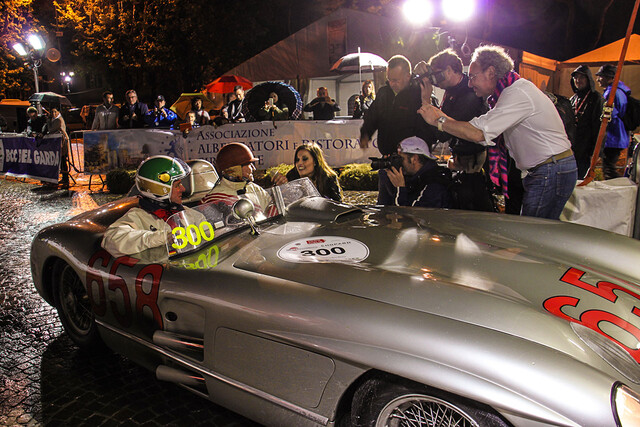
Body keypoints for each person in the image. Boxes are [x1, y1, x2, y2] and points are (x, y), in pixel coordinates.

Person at [417, 45, 577, 220]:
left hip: (551, 170)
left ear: (491, 72)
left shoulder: (517, 93)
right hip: (547, 169)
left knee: (534, 234)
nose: (470, 83)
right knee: (536, 232)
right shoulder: (506, 94)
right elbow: (478, 130)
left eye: (472, 77)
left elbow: (478, 133)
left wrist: (439, 121)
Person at [415, 48, 493, 212]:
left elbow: (442, 132)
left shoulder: (470, 94)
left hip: (473, 167)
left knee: (472, 211)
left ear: (449, 70)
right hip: (462, 162)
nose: (435, 80)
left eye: (437, 74)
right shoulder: (453, 91)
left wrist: (426, 100)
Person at [360, 54, 437, 205]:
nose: (392, 83)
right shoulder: (383, 93)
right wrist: (366, 133)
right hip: (388, 161)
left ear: (408, 76)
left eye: (396, 80)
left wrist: (416, 156)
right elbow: (373, 116)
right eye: (389, 79)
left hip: (410, 165)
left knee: (406, 208)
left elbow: (429, 127)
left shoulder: (420, 93)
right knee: (384, 206)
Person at [102, 156, 205, 257]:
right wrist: (164, 237)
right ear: (159, 189)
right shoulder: (138, 216)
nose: (182, 189)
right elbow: (112, 240)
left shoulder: (190, 214)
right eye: (177, 185)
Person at [200, 142, 273, 214]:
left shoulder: (255, 189)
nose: (253, 168)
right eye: (249, 165)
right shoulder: (214, 199)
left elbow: (274, 213)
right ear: (236, 169)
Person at [386, 136, 453, 208]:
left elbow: (407, 215)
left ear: (414, 159)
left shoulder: (433, 184)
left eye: (401, 159)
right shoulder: (417, 179)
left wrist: (400, 188)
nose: (399, 163)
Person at [272, 142, 343, 202]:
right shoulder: (292, 175)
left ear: (315, 161)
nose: (300, 163)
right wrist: (280, 189)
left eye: (304, 159)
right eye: (297, 160)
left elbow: (337, 204)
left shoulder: (329, 178)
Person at [595, 64, 630, 180]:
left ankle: (617, 190)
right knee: (609, 166)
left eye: (601, 76)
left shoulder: (612, 93)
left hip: (613, 137)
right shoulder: (620, 91)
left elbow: (610, 116)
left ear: (608, 77)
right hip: (618, 136)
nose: (598, 79)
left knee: (609, 168)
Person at [569, 66, 604, 179]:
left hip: (586, 151)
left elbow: (600, 127)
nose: (578, 80)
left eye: (581, 77)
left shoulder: (596, 99)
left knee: (581, 182)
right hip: (572, 150)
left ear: (588, 79)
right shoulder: (573, 99)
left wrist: (596, 151)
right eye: (576, 77)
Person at [43, 107, 71, 187]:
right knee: (61, 161)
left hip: (61, 143)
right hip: (57, 143)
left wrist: (48, 121)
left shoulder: (58, 120)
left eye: (55, 112)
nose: (53, 114)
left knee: (62, 160)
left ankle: (65, 178)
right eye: (52, 112)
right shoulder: (55, 119)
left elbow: (51, 129)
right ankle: (63, 178)